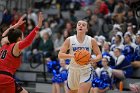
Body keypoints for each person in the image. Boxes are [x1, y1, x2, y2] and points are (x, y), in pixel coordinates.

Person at [0, 12, 43, 93]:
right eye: (23, 36)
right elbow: (28, 41)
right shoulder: (15, 46)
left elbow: (4, 34)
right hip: (5, 79)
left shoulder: (4, 44)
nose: (24, 38)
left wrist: (15, 26)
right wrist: (38, 27)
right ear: (19, 39)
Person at [58, 20, 102, 93]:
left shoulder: (91, 40)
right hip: (73, 70)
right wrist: (73, 56)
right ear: (76, 28)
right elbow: (60, 55)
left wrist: (93, 60)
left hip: (86, 70)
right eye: (79, 24)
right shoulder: (69, 40)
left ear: (87, 29)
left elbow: (99, 55)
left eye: (83, 25)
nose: (81, 26)